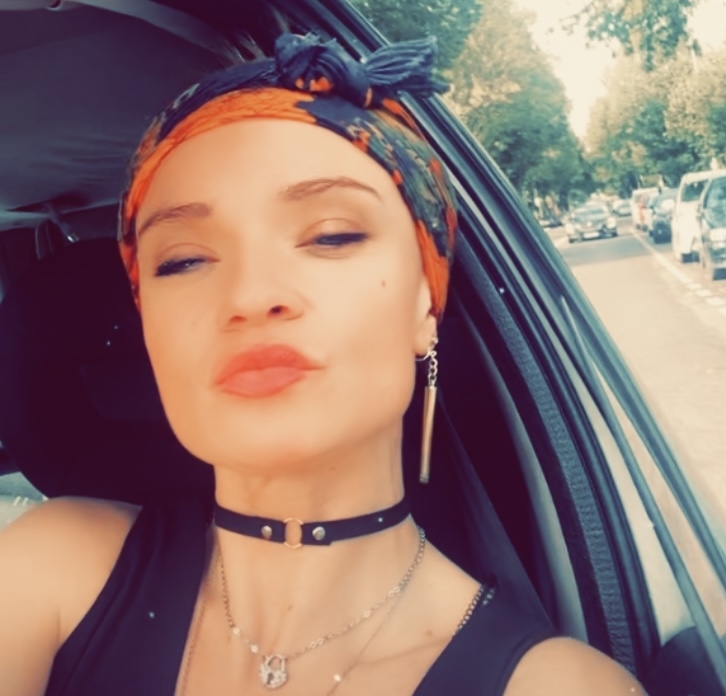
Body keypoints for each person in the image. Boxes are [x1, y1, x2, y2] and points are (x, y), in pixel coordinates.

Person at [0, 33, 646, 696]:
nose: (250, 295)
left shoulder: (559, 686)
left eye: (332, 236)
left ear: (425, 303)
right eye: (183, 260)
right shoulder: (44, 570)